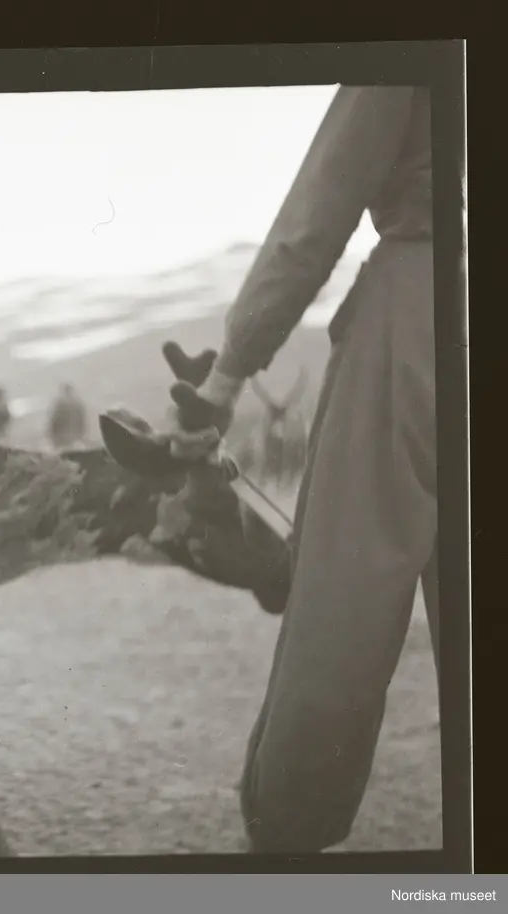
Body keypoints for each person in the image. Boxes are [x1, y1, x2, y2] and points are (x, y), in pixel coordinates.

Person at [166, 86, 438, 853]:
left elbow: (316, 215)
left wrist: (227, 374)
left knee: (343, 603)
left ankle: (286, 841)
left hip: (423, 310)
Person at [46, 382, 89, 450]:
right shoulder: (60, 405)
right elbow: (54, 422)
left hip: (72, 438)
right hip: (63, 438)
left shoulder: (76, 405)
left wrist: (80, 436)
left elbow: (81, 422)